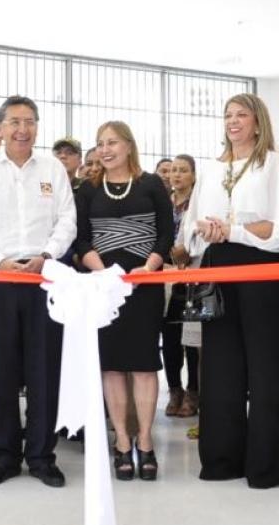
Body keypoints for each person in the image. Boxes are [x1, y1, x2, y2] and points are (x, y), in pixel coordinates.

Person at [178, 93, 279, 488]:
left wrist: (236, 230)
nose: (233, 121)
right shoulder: (210, 169)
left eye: (241, 114)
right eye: (228, 115)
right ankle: (222, 458)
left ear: (258, 122)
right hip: (218, 267)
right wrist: (206, 231)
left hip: (261, 268)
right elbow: (190, 227)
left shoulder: (275, 164)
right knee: (221, 367)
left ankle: (266, 464)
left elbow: (278, 229)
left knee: (264, 367)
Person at [0, 95, 76, 488]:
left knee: (45, 368)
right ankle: (4, 455)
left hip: (45, 277)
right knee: (2, 368)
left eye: (30, 121)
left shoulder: (53, 168)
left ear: (37, 127)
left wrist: (47, 255)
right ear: (0, 129)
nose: (22, 129)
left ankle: (43, 455)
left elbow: (67, 220)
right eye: (14, 122)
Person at [75, 122, 173, 481]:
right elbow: (81, 240)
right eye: (100, 143)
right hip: (102, 288)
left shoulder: (151, 184)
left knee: (144, 366)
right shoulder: (87, 189)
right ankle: (120, 441)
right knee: (112, 366)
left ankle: (145, 442)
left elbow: (166, 232)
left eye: (112, 142)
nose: (105, 149)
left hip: (144, 286)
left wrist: (149, 266)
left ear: (129, 146)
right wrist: (102, 274)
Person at [163, 154, 199, 419]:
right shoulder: (164, 204)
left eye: (183, 170)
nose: (176, 175)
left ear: (193, 175)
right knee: (171, 337)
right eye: (173, 170)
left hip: (192, 274)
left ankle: (193, 391)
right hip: (165, 275)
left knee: (192, 338)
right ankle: (174, 389)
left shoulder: (198, 203)